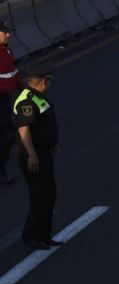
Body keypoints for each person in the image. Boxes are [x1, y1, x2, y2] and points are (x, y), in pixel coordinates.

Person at [13, 64, 62, 250]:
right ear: (43, 81)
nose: (50, 83)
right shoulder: (27, 101)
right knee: (40, 196)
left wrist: (51, 145)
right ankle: (31, 235)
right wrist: (32, 155)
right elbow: (24, 130)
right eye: (49, 80)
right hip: (33, 157)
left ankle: (44, 235)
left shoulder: (39, 97)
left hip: (43, 153)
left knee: (49, 195)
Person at [0, 22, 22, 185]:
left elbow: (13, 75)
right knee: (7, 135)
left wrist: (24, 90)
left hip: (5, 99)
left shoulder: (7, 51)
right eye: (4, 32)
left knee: (8, 136)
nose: (8, 35)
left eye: (8, 32)